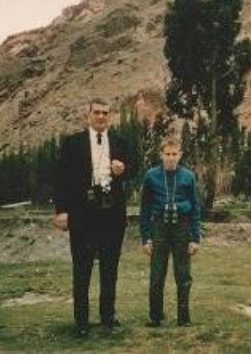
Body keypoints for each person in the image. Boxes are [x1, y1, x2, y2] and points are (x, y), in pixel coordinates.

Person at [54, 98, 134, 337]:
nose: (101, 116)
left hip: (112, 214)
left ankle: (108, 316)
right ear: (88, 115)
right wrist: (61, 211)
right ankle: (81, 321)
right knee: (82, 269)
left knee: (110, 269)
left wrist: (124, 170)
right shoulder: (72, 143)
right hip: (83, 215)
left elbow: (135, 168)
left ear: (110, 116)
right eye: (97, 112)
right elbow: (60, 179)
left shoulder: (120, 142)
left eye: (105, 113)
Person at [140, 137, 201, 327]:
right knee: (157, 274)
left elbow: (195, 208)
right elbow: (145, 209)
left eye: (174, 154)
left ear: (180, 155)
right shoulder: (151, 176)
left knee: (183, 274)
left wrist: (195, 238)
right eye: (167, 154)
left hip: (182, 227)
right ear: (161, 155)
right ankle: (155, 316)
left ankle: (184, 317)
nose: (171, 158)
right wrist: (146, 238)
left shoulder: (188, 176)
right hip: (160, 227)